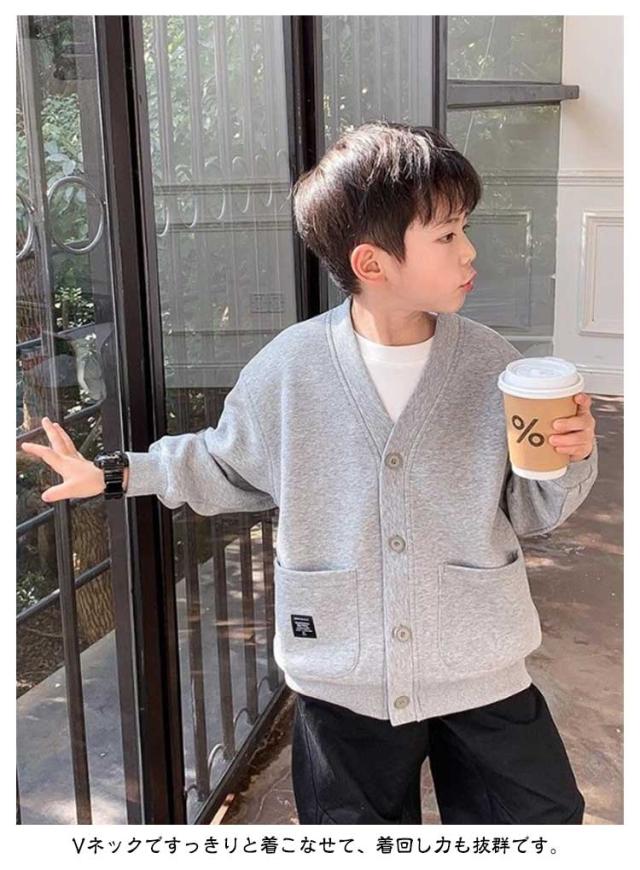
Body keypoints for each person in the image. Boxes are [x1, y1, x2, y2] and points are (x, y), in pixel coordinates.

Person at [21, 121, 598, 825]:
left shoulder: (492, 365)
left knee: (539, 823)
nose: (469, 249)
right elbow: (222, 462)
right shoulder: (290, 369)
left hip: (481, 664)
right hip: (342, 675)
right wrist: (116, 475)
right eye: (447, 234)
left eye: (464, 228)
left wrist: (568, 457)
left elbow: (534, 511)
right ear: (372, 262)